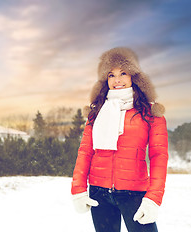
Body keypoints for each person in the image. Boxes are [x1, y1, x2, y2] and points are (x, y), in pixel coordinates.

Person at [71, 47, 168, 232]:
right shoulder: (96, 113)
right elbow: (85, 152)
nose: (117, 80)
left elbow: (159, 156)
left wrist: (153, 198)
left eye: (123, 73)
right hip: (99, 192)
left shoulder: (150, 113)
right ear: (105, 80)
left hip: (135, 194)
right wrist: (78, 190)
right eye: (111, 75)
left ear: (133, 76)